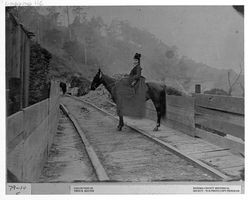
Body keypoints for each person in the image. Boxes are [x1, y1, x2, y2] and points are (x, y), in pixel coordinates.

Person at [114, 53, 147, 118]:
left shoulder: (138, 67)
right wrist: (128, 76)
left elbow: (138, 76)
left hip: (136, 81)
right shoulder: (135, 67)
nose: (135, 61)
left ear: (138, 61)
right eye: (134, 60)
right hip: (132, 79)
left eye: (136, 60)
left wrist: (131, 78)